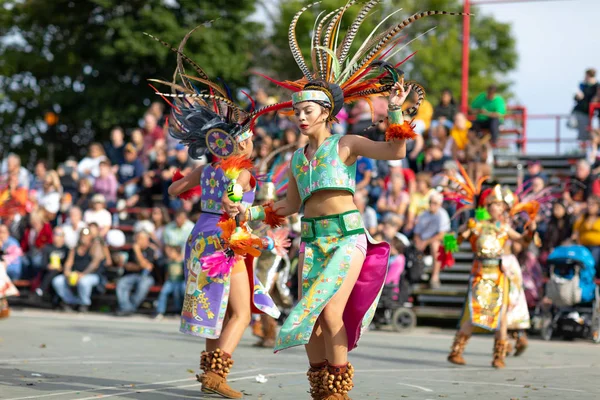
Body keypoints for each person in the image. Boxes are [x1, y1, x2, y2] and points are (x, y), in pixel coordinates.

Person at [244, 5, 462, 398]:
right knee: (307, 320)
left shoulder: (346, 144)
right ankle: (322, 390)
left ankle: (340, 390)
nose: (299, 117)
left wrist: (394, 108)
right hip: (312, 243)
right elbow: (289, 206)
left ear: (326, 111)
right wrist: (250, 211)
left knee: (330, 313)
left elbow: (396, 151)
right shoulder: (297, 157)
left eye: (306, 110)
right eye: (295, 111)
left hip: (347, 238)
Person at [152, 28, 280, 399]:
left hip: (199, 235)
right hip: (225, 239)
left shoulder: (208, 169)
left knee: (217, 312)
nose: (254, 141)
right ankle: (217, 374)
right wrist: (238, 204)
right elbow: (234, 203)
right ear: (240, 140)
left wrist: (202, 190)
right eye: (251, 137)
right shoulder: (239, 171)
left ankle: (211, 378)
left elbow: (175, 190)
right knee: (240, 312)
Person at [444, 182, 536, 369]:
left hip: (499, 276)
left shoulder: (503, 228)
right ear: (487, 206)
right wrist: (459, 233)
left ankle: (498, 357)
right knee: (474, 316)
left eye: (501, 206)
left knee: (501, 318)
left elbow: (522, 240)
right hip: (480, 276)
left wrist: (531, 230)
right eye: (495, 205)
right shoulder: (476, 225)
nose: (498, 208)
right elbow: (451, 243)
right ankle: (456, 352)